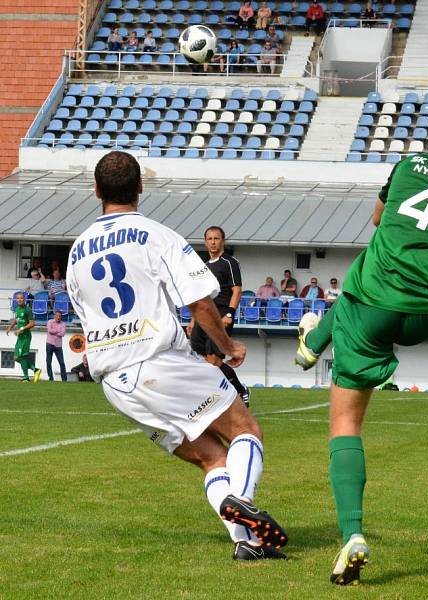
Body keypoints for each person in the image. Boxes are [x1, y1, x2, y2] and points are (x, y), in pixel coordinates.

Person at [293, 92, 428, 585]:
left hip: (372, 307)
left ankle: (351, 533)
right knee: (362, 280)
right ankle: (313, 342)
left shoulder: (408, 165)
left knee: (345, 424)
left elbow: (377, 218)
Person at [65, 151, 287, 561]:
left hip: (115, 383)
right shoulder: (155, 234)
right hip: (157, 360)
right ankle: (241, 499)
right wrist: (229, 346)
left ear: (96, 191)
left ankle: (247, 542)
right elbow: (199, 302)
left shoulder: (77, 253)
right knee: (246, 430)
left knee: (211, 457)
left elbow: (84, 316)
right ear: (141, 188)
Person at [187, 226, 250, 406]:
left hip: (222, 313)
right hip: (204, 315)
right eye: (210, 239)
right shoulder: (204, 266)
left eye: (216, 238)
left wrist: (230, 313)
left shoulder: (229, 262)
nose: (213, 242)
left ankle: (240, 390)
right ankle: (214, 395)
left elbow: (237, 290)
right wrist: (193, 319)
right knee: (201, 359)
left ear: (223, 241)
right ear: (205, 241)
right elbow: (202, 296)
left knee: (214, 360)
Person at [5, 291, 41, 382]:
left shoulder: (28, 310)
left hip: (25, 337)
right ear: (16, 300)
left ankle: (26, 377)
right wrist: (10, 327)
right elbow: (17, 319)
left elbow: (32, 323)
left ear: (24, 299)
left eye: (21, 298)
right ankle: (35, 370)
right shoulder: (17, 308)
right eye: (18, 298)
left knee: (22, 357)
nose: (19, 300)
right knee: (16, 358)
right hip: (20, 337)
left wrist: (21, 329)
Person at [46, 310, 67, 382]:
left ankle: (64, 379)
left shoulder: (63, 324)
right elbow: (49, 331)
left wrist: (55, 331)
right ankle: (50, 378)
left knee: (62, 362)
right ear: (54, 316)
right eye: (57, 315)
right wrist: (58, 331)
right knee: (48, 362)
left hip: (58, 346)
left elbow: (63, 334)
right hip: (49, 344)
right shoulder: (50, 322)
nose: (58, 317)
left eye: (60, 316)